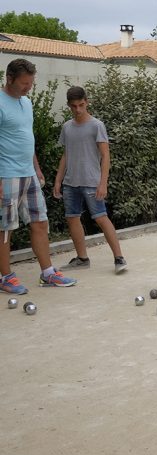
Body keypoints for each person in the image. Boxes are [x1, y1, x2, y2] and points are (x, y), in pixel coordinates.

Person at [0, 59, 77, 294]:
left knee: (40, 222)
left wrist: (36, 167)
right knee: (5, 229)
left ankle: (48, 273)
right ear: (10, 78)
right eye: (24, 83)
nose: (28, 88)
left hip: (28, 173)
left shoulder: (26, 102)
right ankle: (5, 277)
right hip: (6, 175)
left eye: (31, 83)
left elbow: (26, 137)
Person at [53, 86, 127, 274]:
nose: (78, 109)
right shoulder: (67, 127)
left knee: (101, 218)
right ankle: (82, 258)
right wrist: (58, 180)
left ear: (87, 102)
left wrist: (103, 183)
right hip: (70, 182)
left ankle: (119, 258)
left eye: (81, 105)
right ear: (69, 106)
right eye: (74, 106)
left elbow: (105, 155)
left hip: (91, 182)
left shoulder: (96, 125)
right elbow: (65, 155)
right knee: (72, 218)